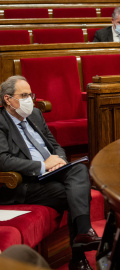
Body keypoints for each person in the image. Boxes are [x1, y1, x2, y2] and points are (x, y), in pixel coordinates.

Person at [0, 76, 101, 270]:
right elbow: (3, 160)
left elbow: (55, 145)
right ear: (7, 99)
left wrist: (60, 161)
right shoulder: (1, 122)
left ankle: (83, 234)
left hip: (51, 171)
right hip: (24, 182)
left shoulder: (35, 114)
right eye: (23, 95)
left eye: (31, 94)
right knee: (73, 192)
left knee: (79, 168)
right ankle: (79, 255)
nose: (29, 99)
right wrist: (42, 166)